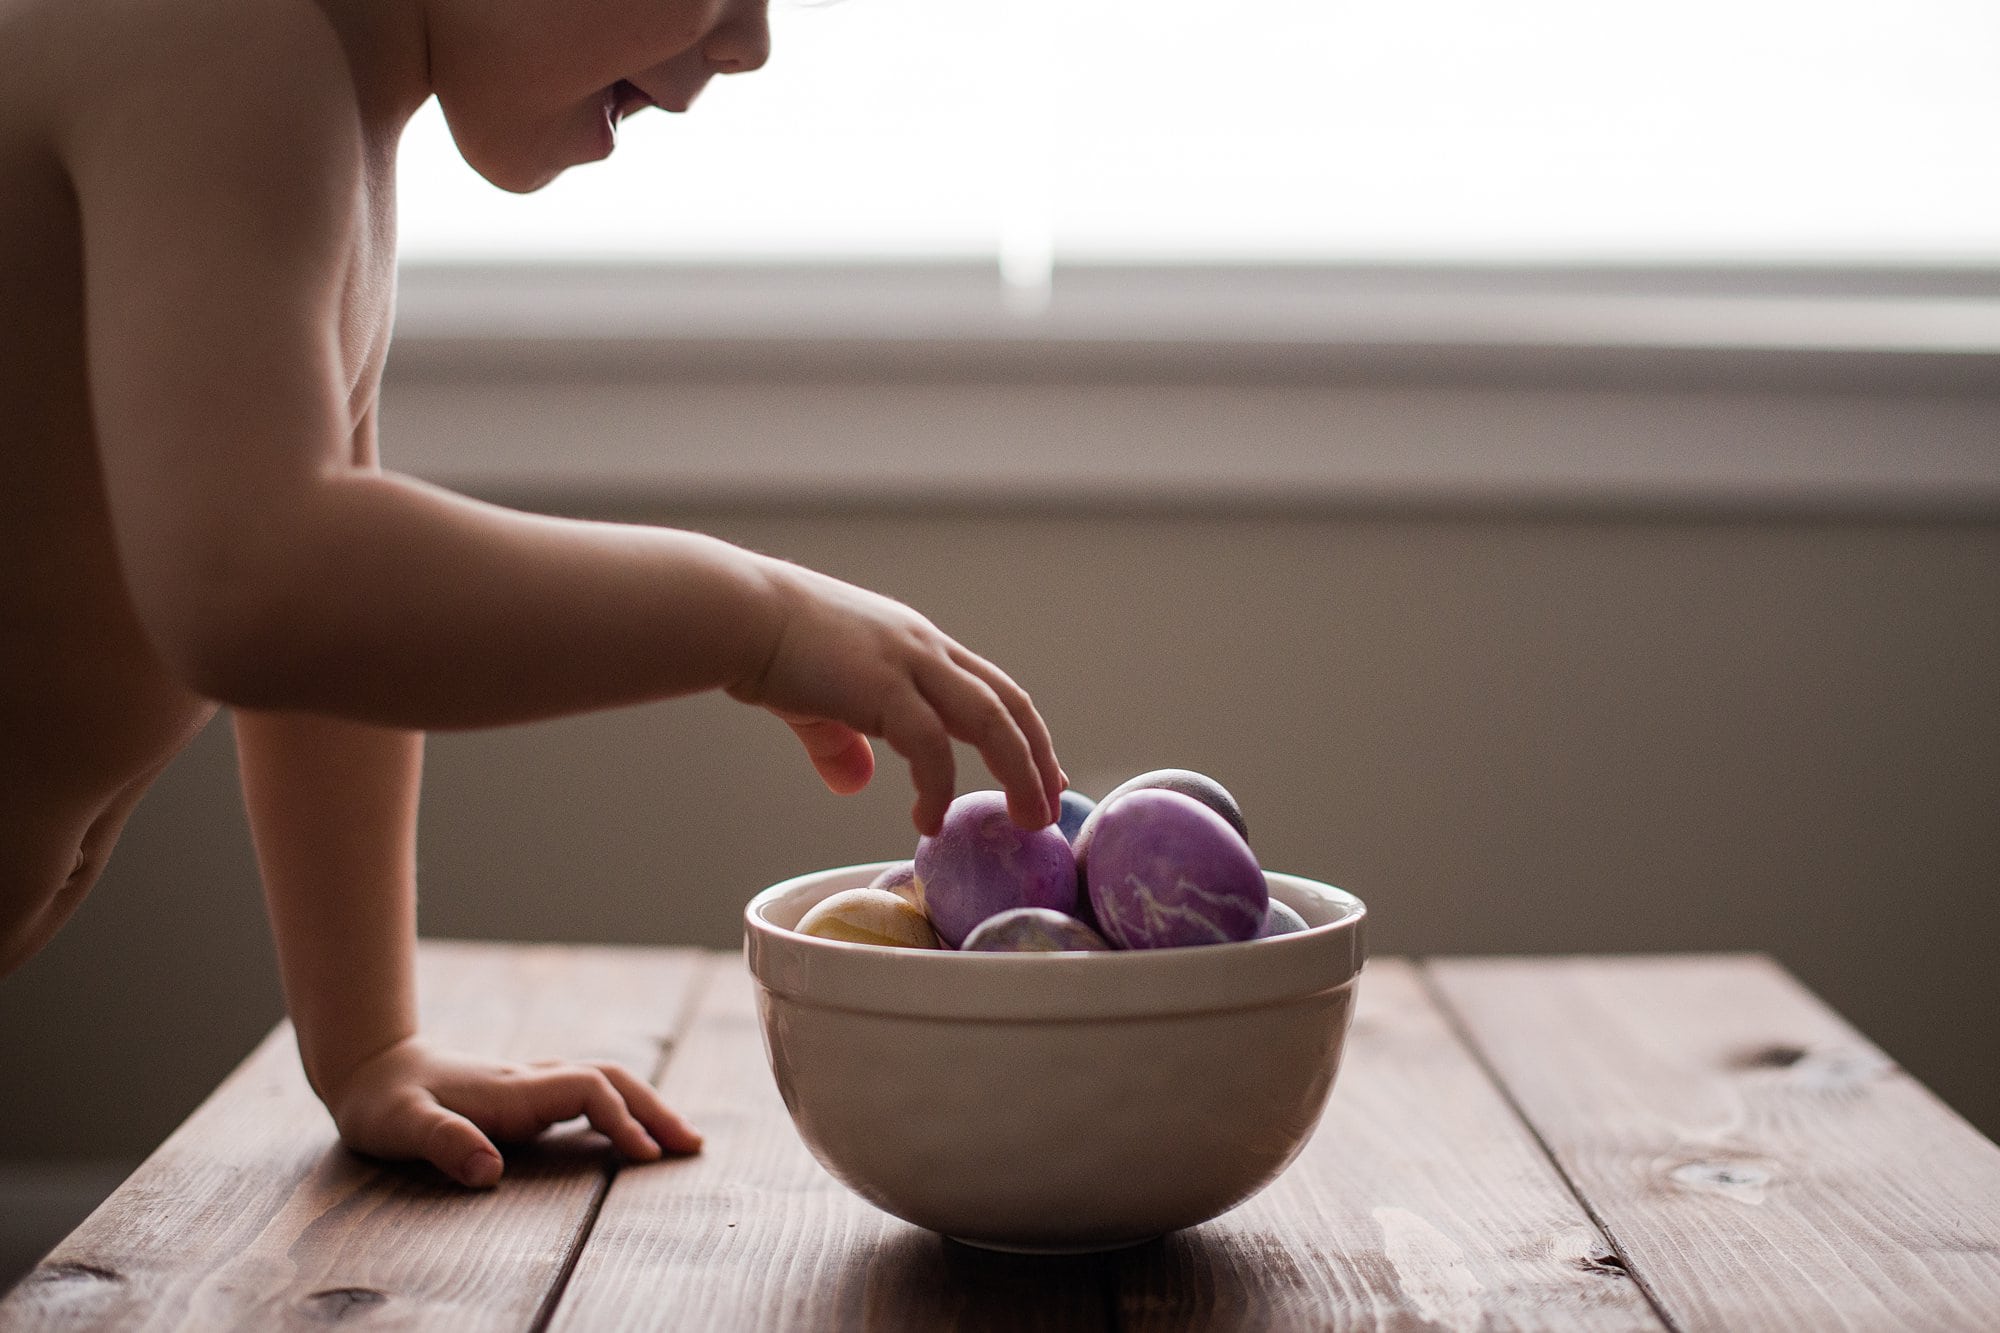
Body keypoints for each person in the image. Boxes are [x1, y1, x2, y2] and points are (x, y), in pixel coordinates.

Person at [0, 0, 1065, 1189]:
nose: (749, 42)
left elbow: (339, 638)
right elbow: (260, 583)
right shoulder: (210, 32)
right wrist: (749, 620)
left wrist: (369, 1044)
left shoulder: (318, 105)